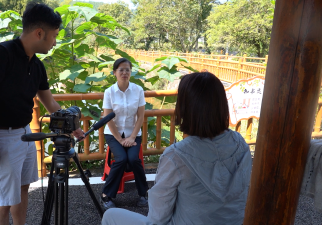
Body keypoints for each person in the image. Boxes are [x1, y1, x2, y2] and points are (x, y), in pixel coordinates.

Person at [0, 3, 84, 225]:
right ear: (39, 33)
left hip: (25, 133)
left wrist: (71, 125)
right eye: (54, 36)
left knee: (22, 188)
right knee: (2, 201)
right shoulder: (0, 55)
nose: (55, 42)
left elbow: (49, 102)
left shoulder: (36, 65)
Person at [101, 72, 252, 225]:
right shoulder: (241, 144)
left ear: (185, 108)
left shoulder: (176, 155)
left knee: (110, 215)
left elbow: (157, 218)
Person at [100, 58, 149, 209]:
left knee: (133, 159)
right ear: (114, 73)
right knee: (121, 159)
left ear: (130, 72)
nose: (124, 73)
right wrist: (120, 140)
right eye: (121, 70)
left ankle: (143, 194)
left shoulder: (138, 90)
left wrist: (133, 136)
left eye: (127, 69)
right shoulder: (109, 92)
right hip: (113, 134)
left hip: (133, 133)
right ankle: (106, 195)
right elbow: (108, 119)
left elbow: (140, 116)